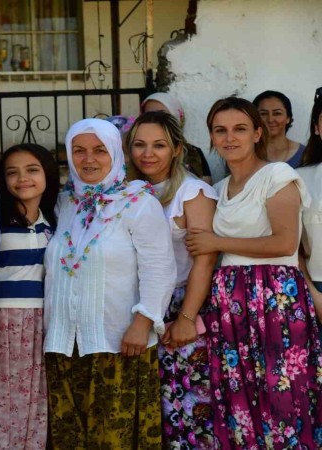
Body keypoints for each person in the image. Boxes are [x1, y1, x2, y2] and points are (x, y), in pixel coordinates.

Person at [185, 97, 322, 448]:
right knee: (240, 398)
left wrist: (217, 239)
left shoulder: (277, 175)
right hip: (231, 303)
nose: (230, 138)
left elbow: (285, 242)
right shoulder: (217, 191)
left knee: (283, 397)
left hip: (276, 298)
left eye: (240, 129)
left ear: (257, 133)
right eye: (221, 130)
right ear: (212, 137)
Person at [43, 118, 176, 449]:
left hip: (118, 340)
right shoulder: (64, 203)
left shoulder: (138, 202)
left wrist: (143, 320)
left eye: (99, 150)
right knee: (69, 436)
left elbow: (159, 266)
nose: (89, 159)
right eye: (79, 151)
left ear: (116, 153)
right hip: (64, 342)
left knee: (113, 438)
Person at [127, 111, 217, 448]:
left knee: (187, 410)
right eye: (139, 144)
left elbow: (204, 260)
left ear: (177, 149)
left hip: (179, 307)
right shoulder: (126, 192)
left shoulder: (192, 193)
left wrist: (187, 318)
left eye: (159, 145)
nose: (147, 153)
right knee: (150, 408)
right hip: (137, 309)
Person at [0, 143, 58, 449]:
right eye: (12, 172)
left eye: (32, 170)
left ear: (47, 175)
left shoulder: (55, 221)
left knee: (36, 401)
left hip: (43, 322)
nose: (22, 178)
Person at [142, 92, 213, 184]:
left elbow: (206, 184)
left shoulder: (193, 153)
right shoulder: (133, 152)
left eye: (162, 114)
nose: (155, 120)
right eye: (148, 115)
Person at [298, 88, 322, 320]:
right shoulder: (298, 179)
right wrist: (313, 294)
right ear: (317, 128)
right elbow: (291, 246)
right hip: (314, 289)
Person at [253, 90, 306, 168]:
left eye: (277, 113)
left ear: (288, 118)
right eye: (263, 114)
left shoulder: (306, 155)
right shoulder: (244, 154)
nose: (270, 119)